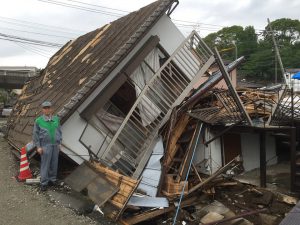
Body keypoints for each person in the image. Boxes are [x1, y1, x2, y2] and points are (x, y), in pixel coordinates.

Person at [33, 101, 62, 191]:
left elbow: (59, 132)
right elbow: (35, 135)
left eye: (48, 107)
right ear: (42, 109)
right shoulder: (38, 120)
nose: (47, 109)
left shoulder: (56, 119)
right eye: (45, 108)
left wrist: (60, 143)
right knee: (45, 165)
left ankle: (52, 180)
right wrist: (38, 147)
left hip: (55, 145)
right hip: (45, 146)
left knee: (54, 164)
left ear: (51, 109)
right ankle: (44, 183)